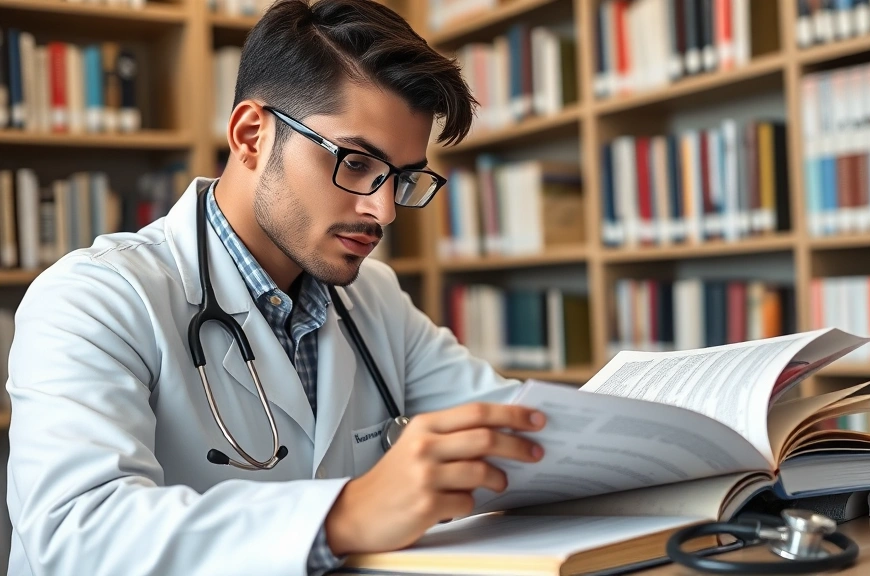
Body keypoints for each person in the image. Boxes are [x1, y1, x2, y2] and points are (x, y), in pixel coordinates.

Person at [5, 1, 546, 574]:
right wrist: (345, 515)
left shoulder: (375, 297)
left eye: (404, 178)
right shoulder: (94, 299)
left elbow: (517, 426)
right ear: (251, 135)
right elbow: (75, 537)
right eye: (357, 163)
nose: (383, 211)